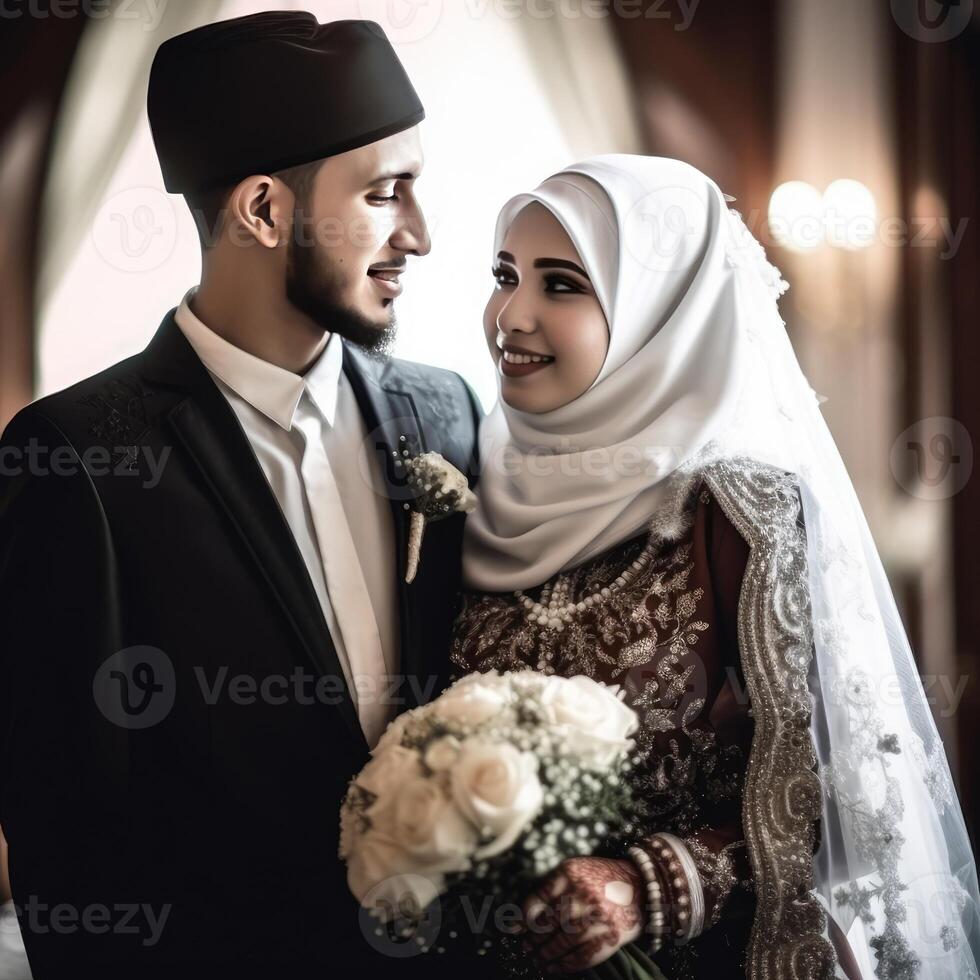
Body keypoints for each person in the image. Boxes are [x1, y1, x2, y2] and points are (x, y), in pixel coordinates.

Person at [0, 12, 491, 978]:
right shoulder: (76, 458)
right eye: (387, 194)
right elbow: (68, 838)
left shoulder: (450, 410)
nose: (421, 237)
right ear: (264, 211)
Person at [451, 155, 980, 978]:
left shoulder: (744, 510)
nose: (510, 315)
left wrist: (649, 885)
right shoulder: (475, 491)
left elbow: (849, 807)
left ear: (664, 313)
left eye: (561, 284)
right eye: (504, 274)